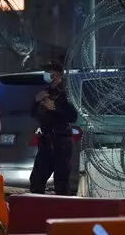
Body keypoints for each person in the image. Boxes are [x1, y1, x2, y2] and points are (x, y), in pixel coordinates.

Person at [30, 59, 78, 195]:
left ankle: (63, 211)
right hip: (46, 141)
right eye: (46, 73)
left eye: (50, 73)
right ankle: (37, 211)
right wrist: (35, 101)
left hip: (61, 141)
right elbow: (34, 114)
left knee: (61, 182)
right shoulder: (45, 92)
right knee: (37, 180)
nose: (47, 76)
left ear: (58, 76)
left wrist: (55, 108)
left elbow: (73, 117)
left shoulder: (65, 94)